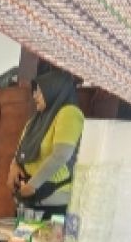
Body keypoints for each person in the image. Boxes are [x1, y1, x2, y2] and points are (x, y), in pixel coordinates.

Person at [8, 69, 84, 217]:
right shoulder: (36, 120)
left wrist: (32, 185)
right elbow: (21, 150)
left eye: (39, 91)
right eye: (34, 91)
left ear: (53, 90)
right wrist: (14, 166)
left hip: (52, 202)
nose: (34, 95)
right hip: (28, 200)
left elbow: (61, 155)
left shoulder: (69, 113)